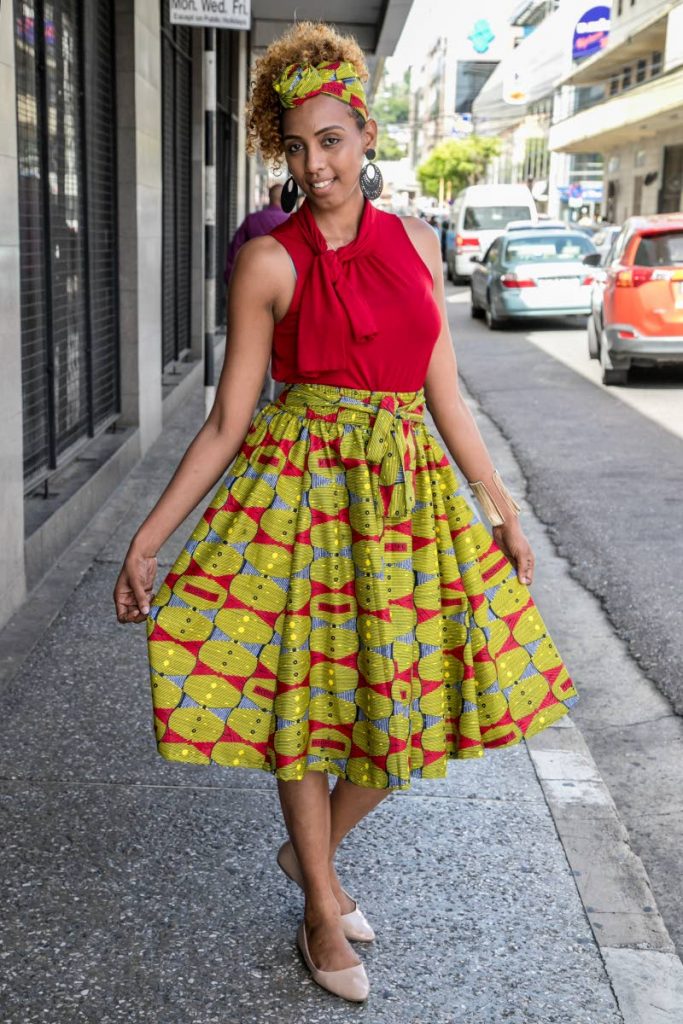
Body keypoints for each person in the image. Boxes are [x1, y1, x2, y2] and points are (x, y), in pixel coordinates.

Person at [113, 20, 579, 1005]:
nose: (313, 163)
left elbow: (443, 390)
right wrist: (147, 541)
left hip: (406, 505)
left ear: (366, 136)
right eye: (295, 145)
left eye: (329, 140)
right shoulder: (267, 263)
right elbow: (226, 422)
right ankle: (322, 907)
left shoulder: (414, 242)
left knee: (409, 707)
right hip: (302, 505)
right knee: (303, 712)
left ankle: (306, 856)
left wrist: (497, 506)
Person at [224, 182, 290, 283]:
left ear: (269, 197)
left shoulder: (252, 220)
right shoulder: (292, 222)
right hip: (284, 284)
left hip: (253, 281)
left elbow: (235, 250)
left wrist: (230, 278)